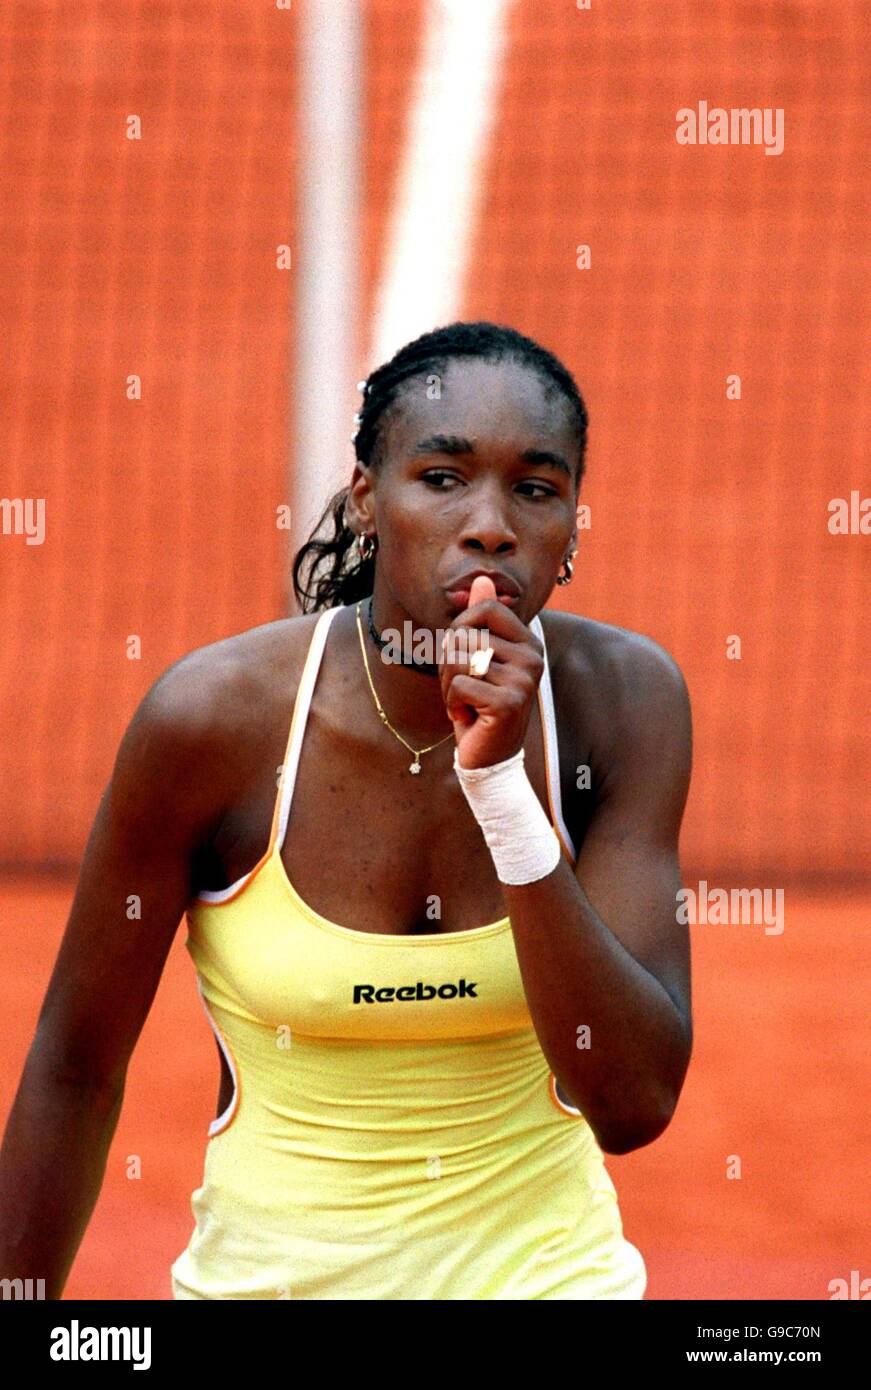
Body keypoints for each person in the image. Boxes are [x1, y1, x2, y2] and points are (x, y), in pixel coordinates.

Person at [0, 320, 692, 1300]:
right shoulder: (212, 721)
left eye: (534, 489)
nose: (490, 524)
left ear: (572, 522)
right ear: (367, 499)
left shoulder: (624, 703)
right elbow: (73, 1062)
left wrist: (502, 795)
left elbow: (631, 1100)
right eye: (442, 478)